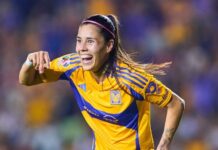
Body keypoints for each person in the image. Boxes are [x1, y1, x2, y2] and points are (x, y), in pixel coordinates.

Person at [19, 14, 185, 150]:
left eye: (90, 41)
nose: (82, 48)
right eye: (79, 40)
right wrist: (29, 62)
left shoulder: (129, 79)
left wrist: (164, 145)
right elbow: (27, 80)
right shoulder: (72, 66)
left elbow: (176, 103)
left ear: (108, 45)